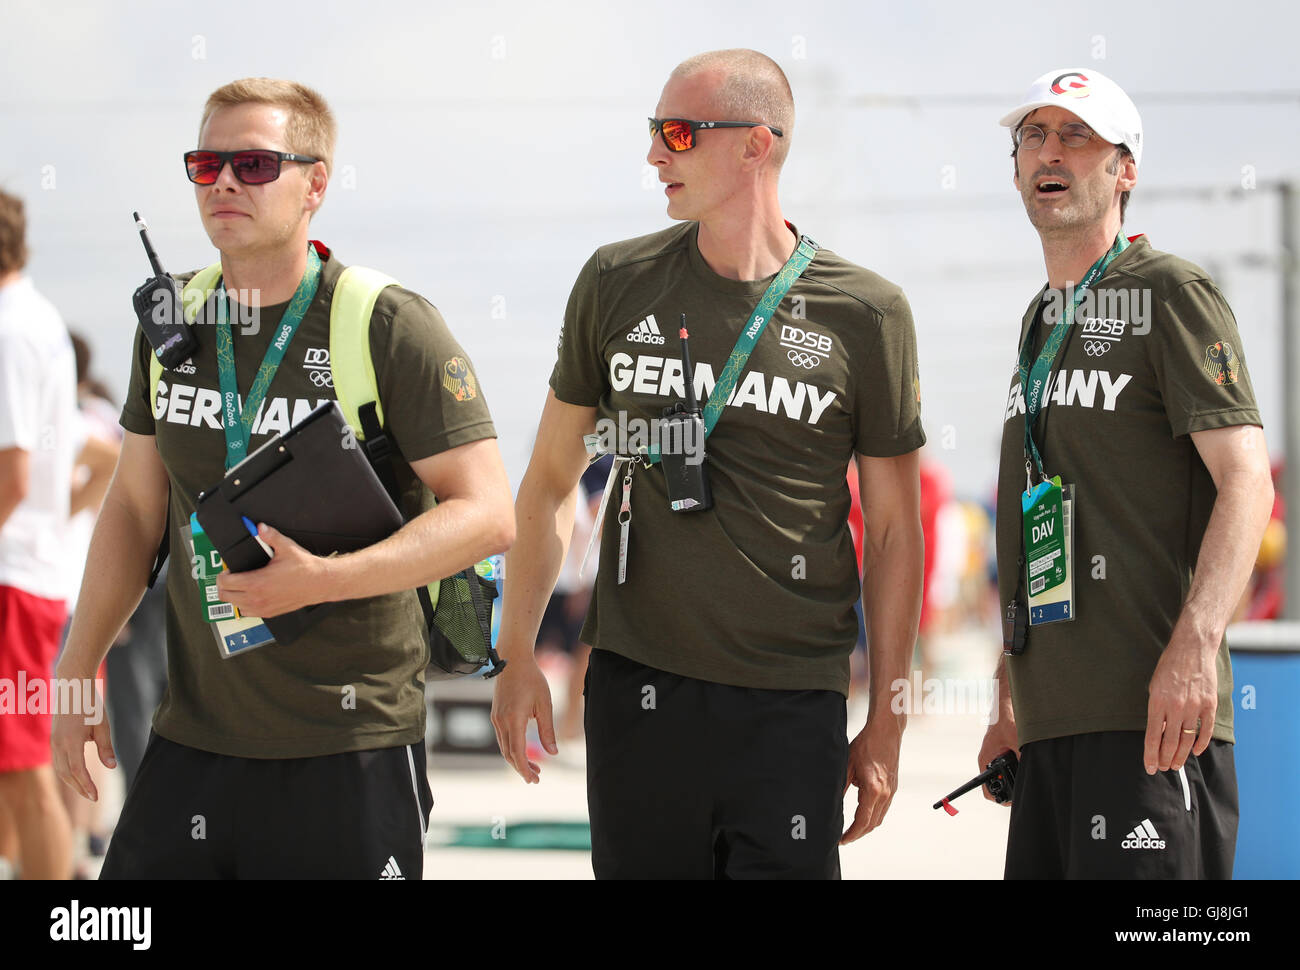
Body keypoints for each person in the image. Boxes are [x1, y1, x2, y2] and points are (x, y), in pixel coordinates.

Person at [51, 78, 514, 880]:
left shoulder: (386, 322)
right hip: (193, 738)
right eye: (206, 164)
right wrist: (74, 665)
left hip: (351, 743)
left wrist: (325, 581)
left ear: (316, 185)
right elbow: (132, 507)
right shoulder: (173, 321)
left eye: (256, 164)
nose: (225, 182)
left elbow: (487, 515)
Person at [492, 49, 925, 879]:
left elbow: (898, 534)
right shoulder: (617, 281)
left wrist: (888, 720)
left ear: (756, 145)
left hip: (792, 700)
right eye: (655, 132)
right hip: (639, 691)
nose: (656, 154)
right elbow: (549, 483)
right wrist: (515, 655)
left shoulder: (867, 312)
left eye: (679, 133)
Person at [979, 68, 1273, 878]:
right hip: (1050, 728)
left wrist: (1195, 648)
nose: (1050, 150)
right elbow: (1044, 515)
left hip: (1154, 721)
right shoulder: (1040, 320)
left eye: (1077, 135)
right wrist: (1010, 695)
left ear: (1125, 169)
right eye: (1034, 135)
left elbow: (1249, 482)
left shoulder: (1170, 291)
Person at [0, 188, 78, 880]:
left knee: (22, 767)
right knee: (13, 769)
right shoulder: (36, 317)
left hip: (13, 574)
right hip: (30, 571)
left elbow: (12, 474)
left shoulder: (6, 327)